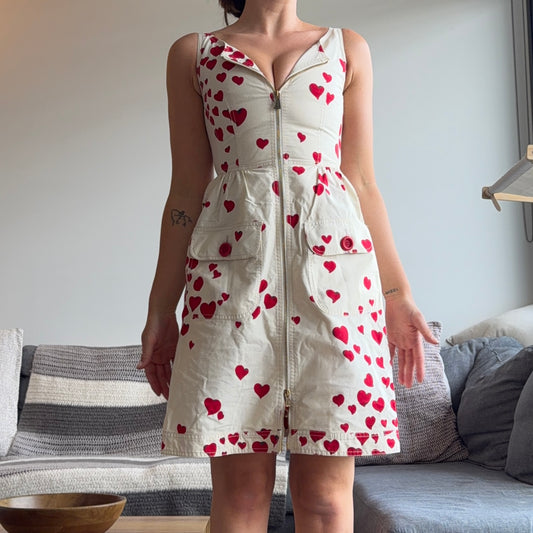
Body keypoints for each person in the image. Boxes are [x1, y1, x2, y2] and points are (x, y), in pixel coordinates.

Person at [138, 1, 438, 532]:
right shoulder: (195, 54)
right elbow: (185, 190)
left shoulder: (346, 49)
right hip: (230, 289)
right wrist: (161, 307)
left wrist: (397, 294)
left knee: (325, 501)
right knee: (241, 499)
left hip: (336, 290)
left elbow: (362, 182)